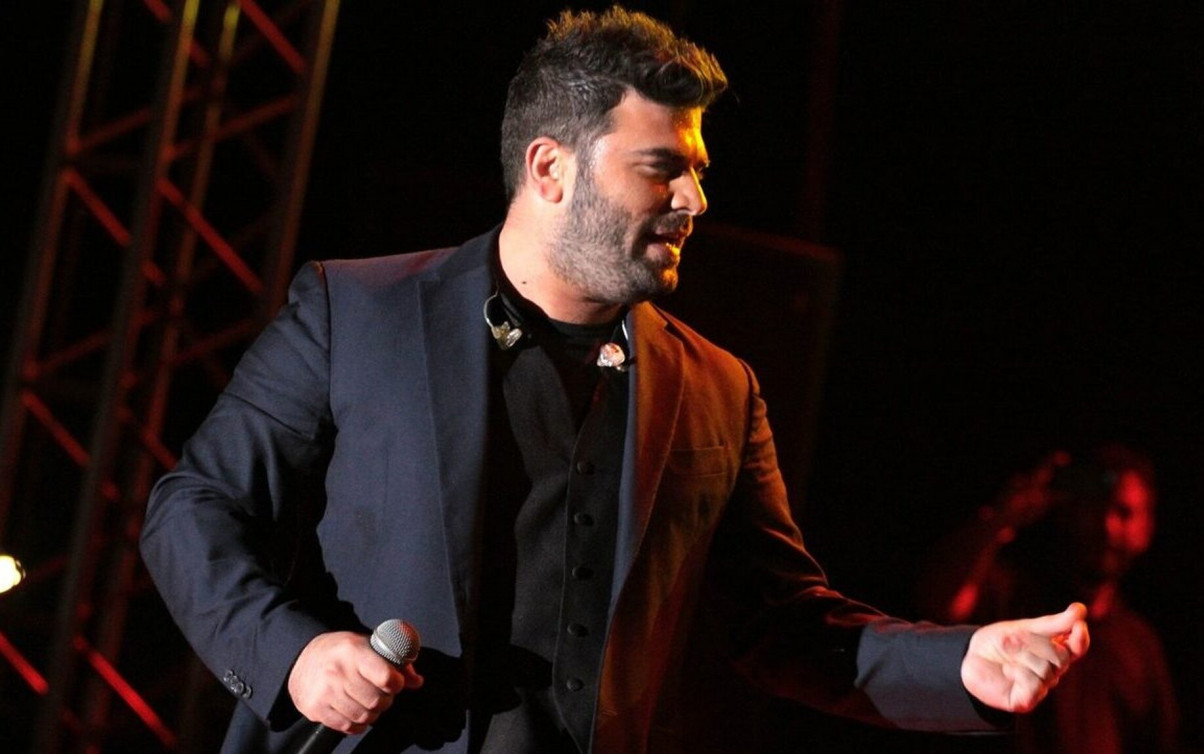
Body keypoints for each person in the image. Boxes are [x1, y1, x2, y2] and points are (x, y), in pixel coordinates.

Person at [140, 7, 1089, 753]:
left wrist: (960, 665)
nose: (694, 200)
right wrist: (295, 653)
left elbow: (784, 624)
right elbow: (195, 507)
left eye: (697, 171)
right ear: (550, 168)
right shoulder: (358, 313)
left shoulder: (718, 390)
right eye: (661, 168)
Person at [916, 443, 1178, 754]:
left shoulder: (1140, 646)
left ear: (1146, 528)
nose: (1107, 526)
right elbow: (940, 605)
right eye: (1094, 507)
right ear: (1068, 511)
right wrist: (1002, 518)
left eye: (1124, 512)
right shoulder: (1013, 602)